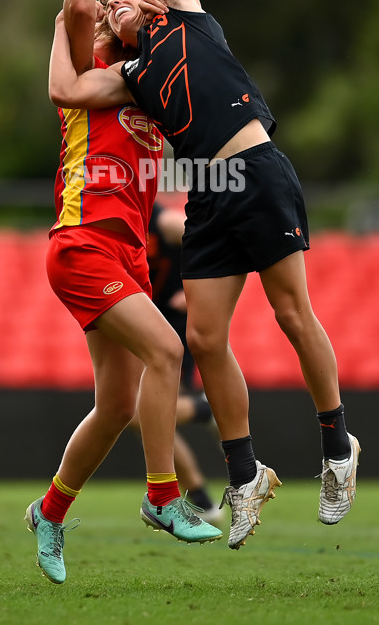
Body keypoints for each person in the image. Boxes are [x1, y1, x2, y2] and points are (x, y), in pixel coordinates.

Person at [52, 0, 361, 551]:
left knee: (292, 315)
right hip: (210, 198)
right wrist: (66, 19)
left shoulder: (187, 10)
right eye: (114, 6)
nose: (121, 5)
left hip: (255, 168)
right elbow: (65, 86)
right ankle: (246, 474)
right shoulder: (129, 79)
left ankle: (336, 446)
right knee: (208, 341)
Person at [24, 0, 222, 586]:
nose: (107, 8)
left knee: (114, 408)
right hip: (81, 244)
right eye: (107, 2)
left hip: (128, 254)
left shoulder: (146, 77)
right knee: (168, 350)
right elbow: (77, 8)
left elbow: (182, 51)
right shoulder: (91, 66)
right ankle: (164, 497)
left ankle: (50, 511)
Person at [136, 198, 224, 524]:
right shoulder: (123, 222)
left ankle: (206, 410)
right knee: (153, 422)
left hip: (171, 331)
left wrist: (194, 292)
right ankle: (201, 500)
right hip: (143, 327)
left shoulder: (162, 221)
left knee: (143, 414)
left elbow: (214, 241)